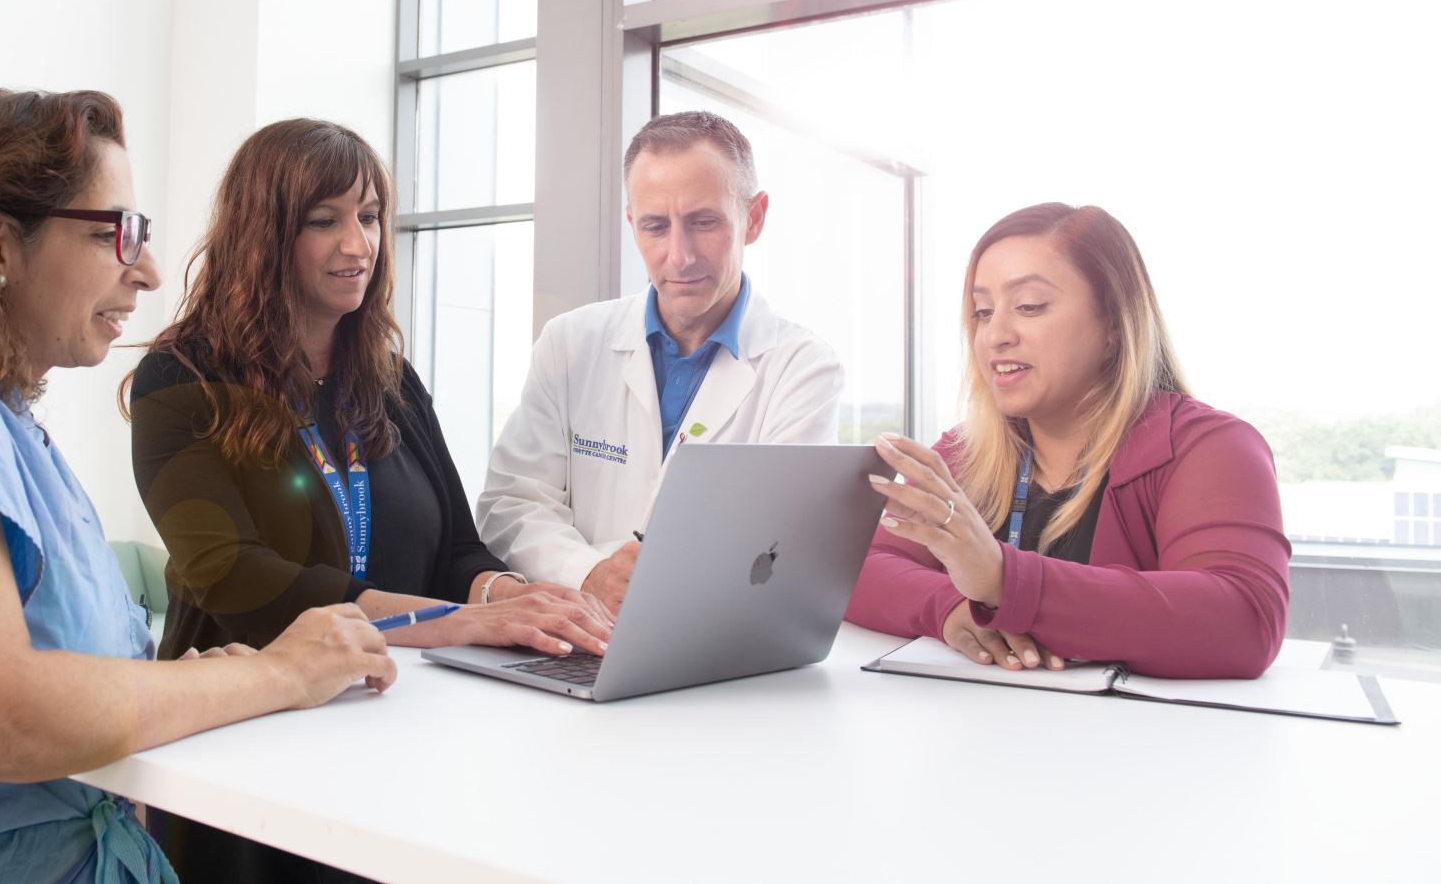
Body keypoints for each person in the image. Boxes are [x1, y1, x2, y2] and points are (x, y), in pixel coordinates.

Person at [0, 89, 395, 884]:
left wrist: (206, 681)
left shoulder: (2, 422)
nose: (150, 270)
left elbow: (72, 684)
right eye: (118, 232)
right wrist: (276, 672)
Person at [126, 118, 612, 882]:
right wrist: (456, 622)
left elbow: (455, 546)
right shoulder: (181, 381)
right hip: (251, 749)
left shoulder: (388, 381)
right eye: (325, 221)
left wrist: (519, 599)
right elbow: (235, 577)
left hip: (401, 732)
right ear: (263, 235)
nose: (359, 244)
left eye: (369, 215)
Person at [847, 203, 1290, 679]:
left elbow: (1245, 620)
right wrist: (953, 607)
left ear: (1115, 325)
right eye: (981, 312)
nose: (994, 335)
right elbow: (852, 567)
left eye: (1029, 306)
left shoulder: (1211, 448)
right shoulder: (963, 454)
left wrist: (1002, 581)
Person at [477, 110, 845, 615]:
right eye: (656, 226)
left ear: (753, 219)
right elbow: (510, 505)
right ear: (632, 223)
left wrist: (641, 580)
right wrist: (591, 574)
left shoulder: (802, 371)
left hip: (712, 644)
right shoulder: (570, 343)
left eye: (703, 222)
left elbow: (778, 548)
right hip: (574, 639)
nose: (680, 256)